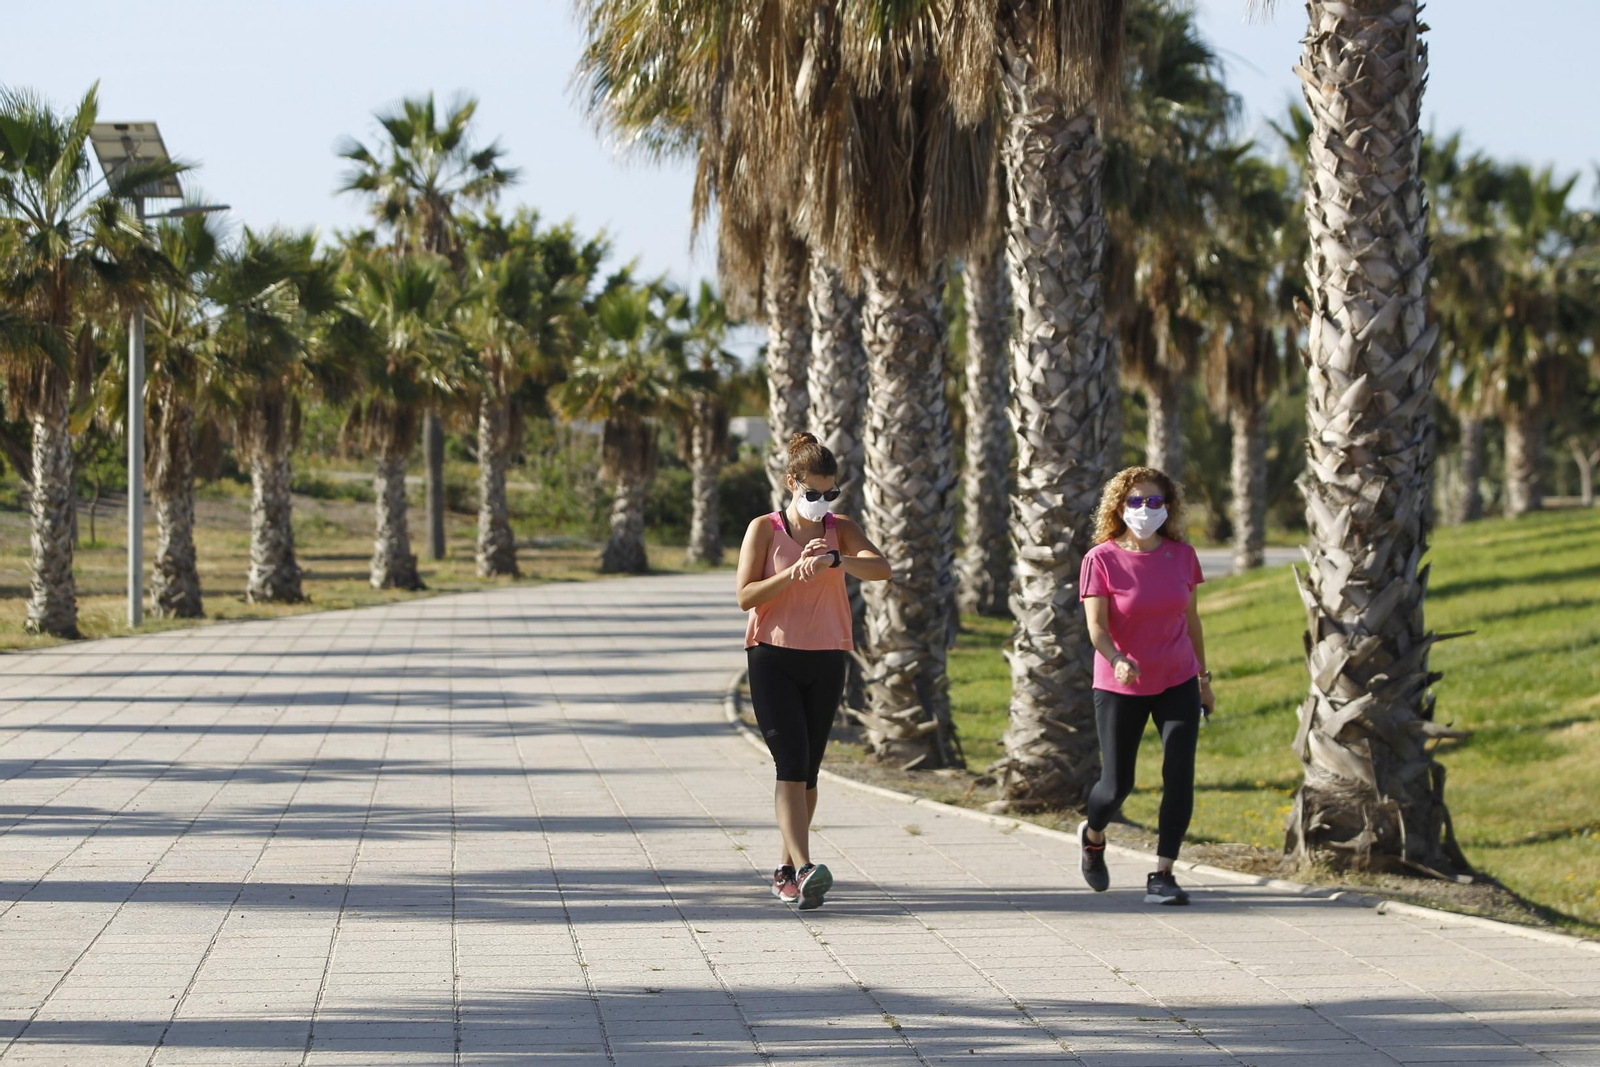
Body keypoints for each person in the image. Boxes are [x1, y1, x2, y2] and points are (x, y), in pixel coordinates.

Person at [736, 432, 892, 909]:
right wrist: (791, 574)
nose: (822, 502)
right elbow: (745, 596)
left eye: (831, 493)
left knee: (809, 772)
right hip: (773, 657)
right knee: (789, 762)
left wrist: (837, 559)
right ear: (791, 483)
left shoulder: (838, 529)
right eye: (812, 493)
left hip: (827, 657)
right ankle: (806, 867)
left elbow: (880, 568)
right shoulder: (764, 529)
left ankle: (787, 870)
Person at [1076, 466, 1214, 905]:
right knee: (1117, 785)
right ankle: (1094, 836)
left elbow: (1191, 622)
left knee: (1179, 776)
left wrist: (1203, 679)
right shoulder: (1100, 560)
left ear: (1168, 507)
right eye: (1135, 501)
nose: (1145, 509)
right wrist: (1116, 659)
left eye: (1154, 501)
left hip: (1177, 678)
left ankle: (1163, 875)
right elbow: (1096, 628)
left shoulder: (1182, 556)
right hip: (1120, 684)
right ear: (1119, 507)